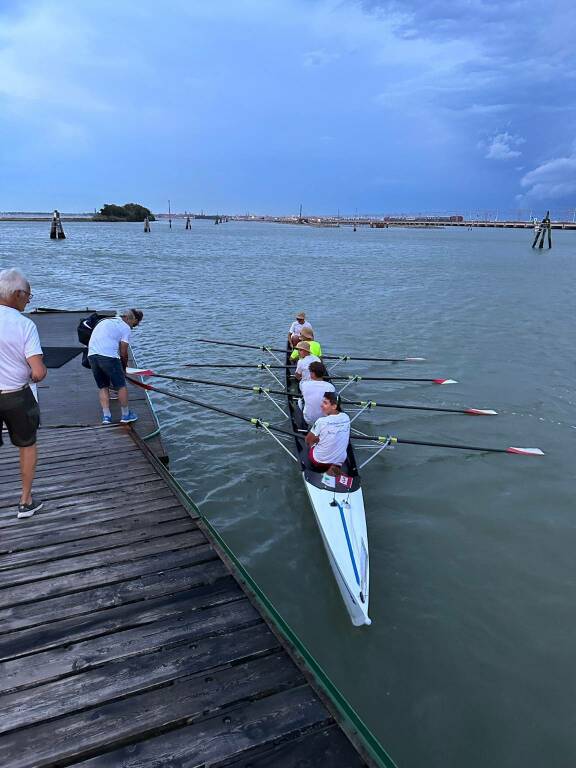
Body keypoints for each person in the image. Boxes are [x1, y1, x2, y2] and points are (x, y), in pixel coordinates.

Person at [0, 268, 47, 518]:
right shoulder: (24, 325)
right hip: (16, 396)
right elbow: (38, 372)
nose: (29, 300)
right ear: (17, 294)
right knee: (27, 445)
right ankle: (25, 502)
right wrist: (35, 370)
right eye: (28, 295)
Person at [87, 308, 143, 424]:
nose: (134, 327)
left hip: (92, 355)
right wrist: (124, 368)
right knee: (121, 385)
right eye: (135, 324)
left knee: (103, 386)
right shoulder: (125, 327)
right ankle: (126, 415)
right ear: (132, 319)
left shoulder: (105, 320)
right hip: (108, 357)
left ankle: (106, 417)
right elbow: (123, 352)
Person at [305, 391, 350, 474]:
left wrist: (314, 442)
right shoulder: (346, 417)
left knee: (310, 440)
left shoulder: (321, 421)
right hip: (340, 461)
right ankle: (334, 468)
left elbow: (307, 440)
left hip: (319, 462)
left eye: (325, 403)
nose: (321, 405)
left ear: (334, 406)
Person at [299, 361, 335, 426]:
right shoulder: (331, 387)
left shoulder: (304, 385)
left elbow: (303, 394)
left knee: (300, 401)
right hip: (325, 420)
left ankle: (304, 425)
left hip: (309, 420)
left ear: (312, 374)